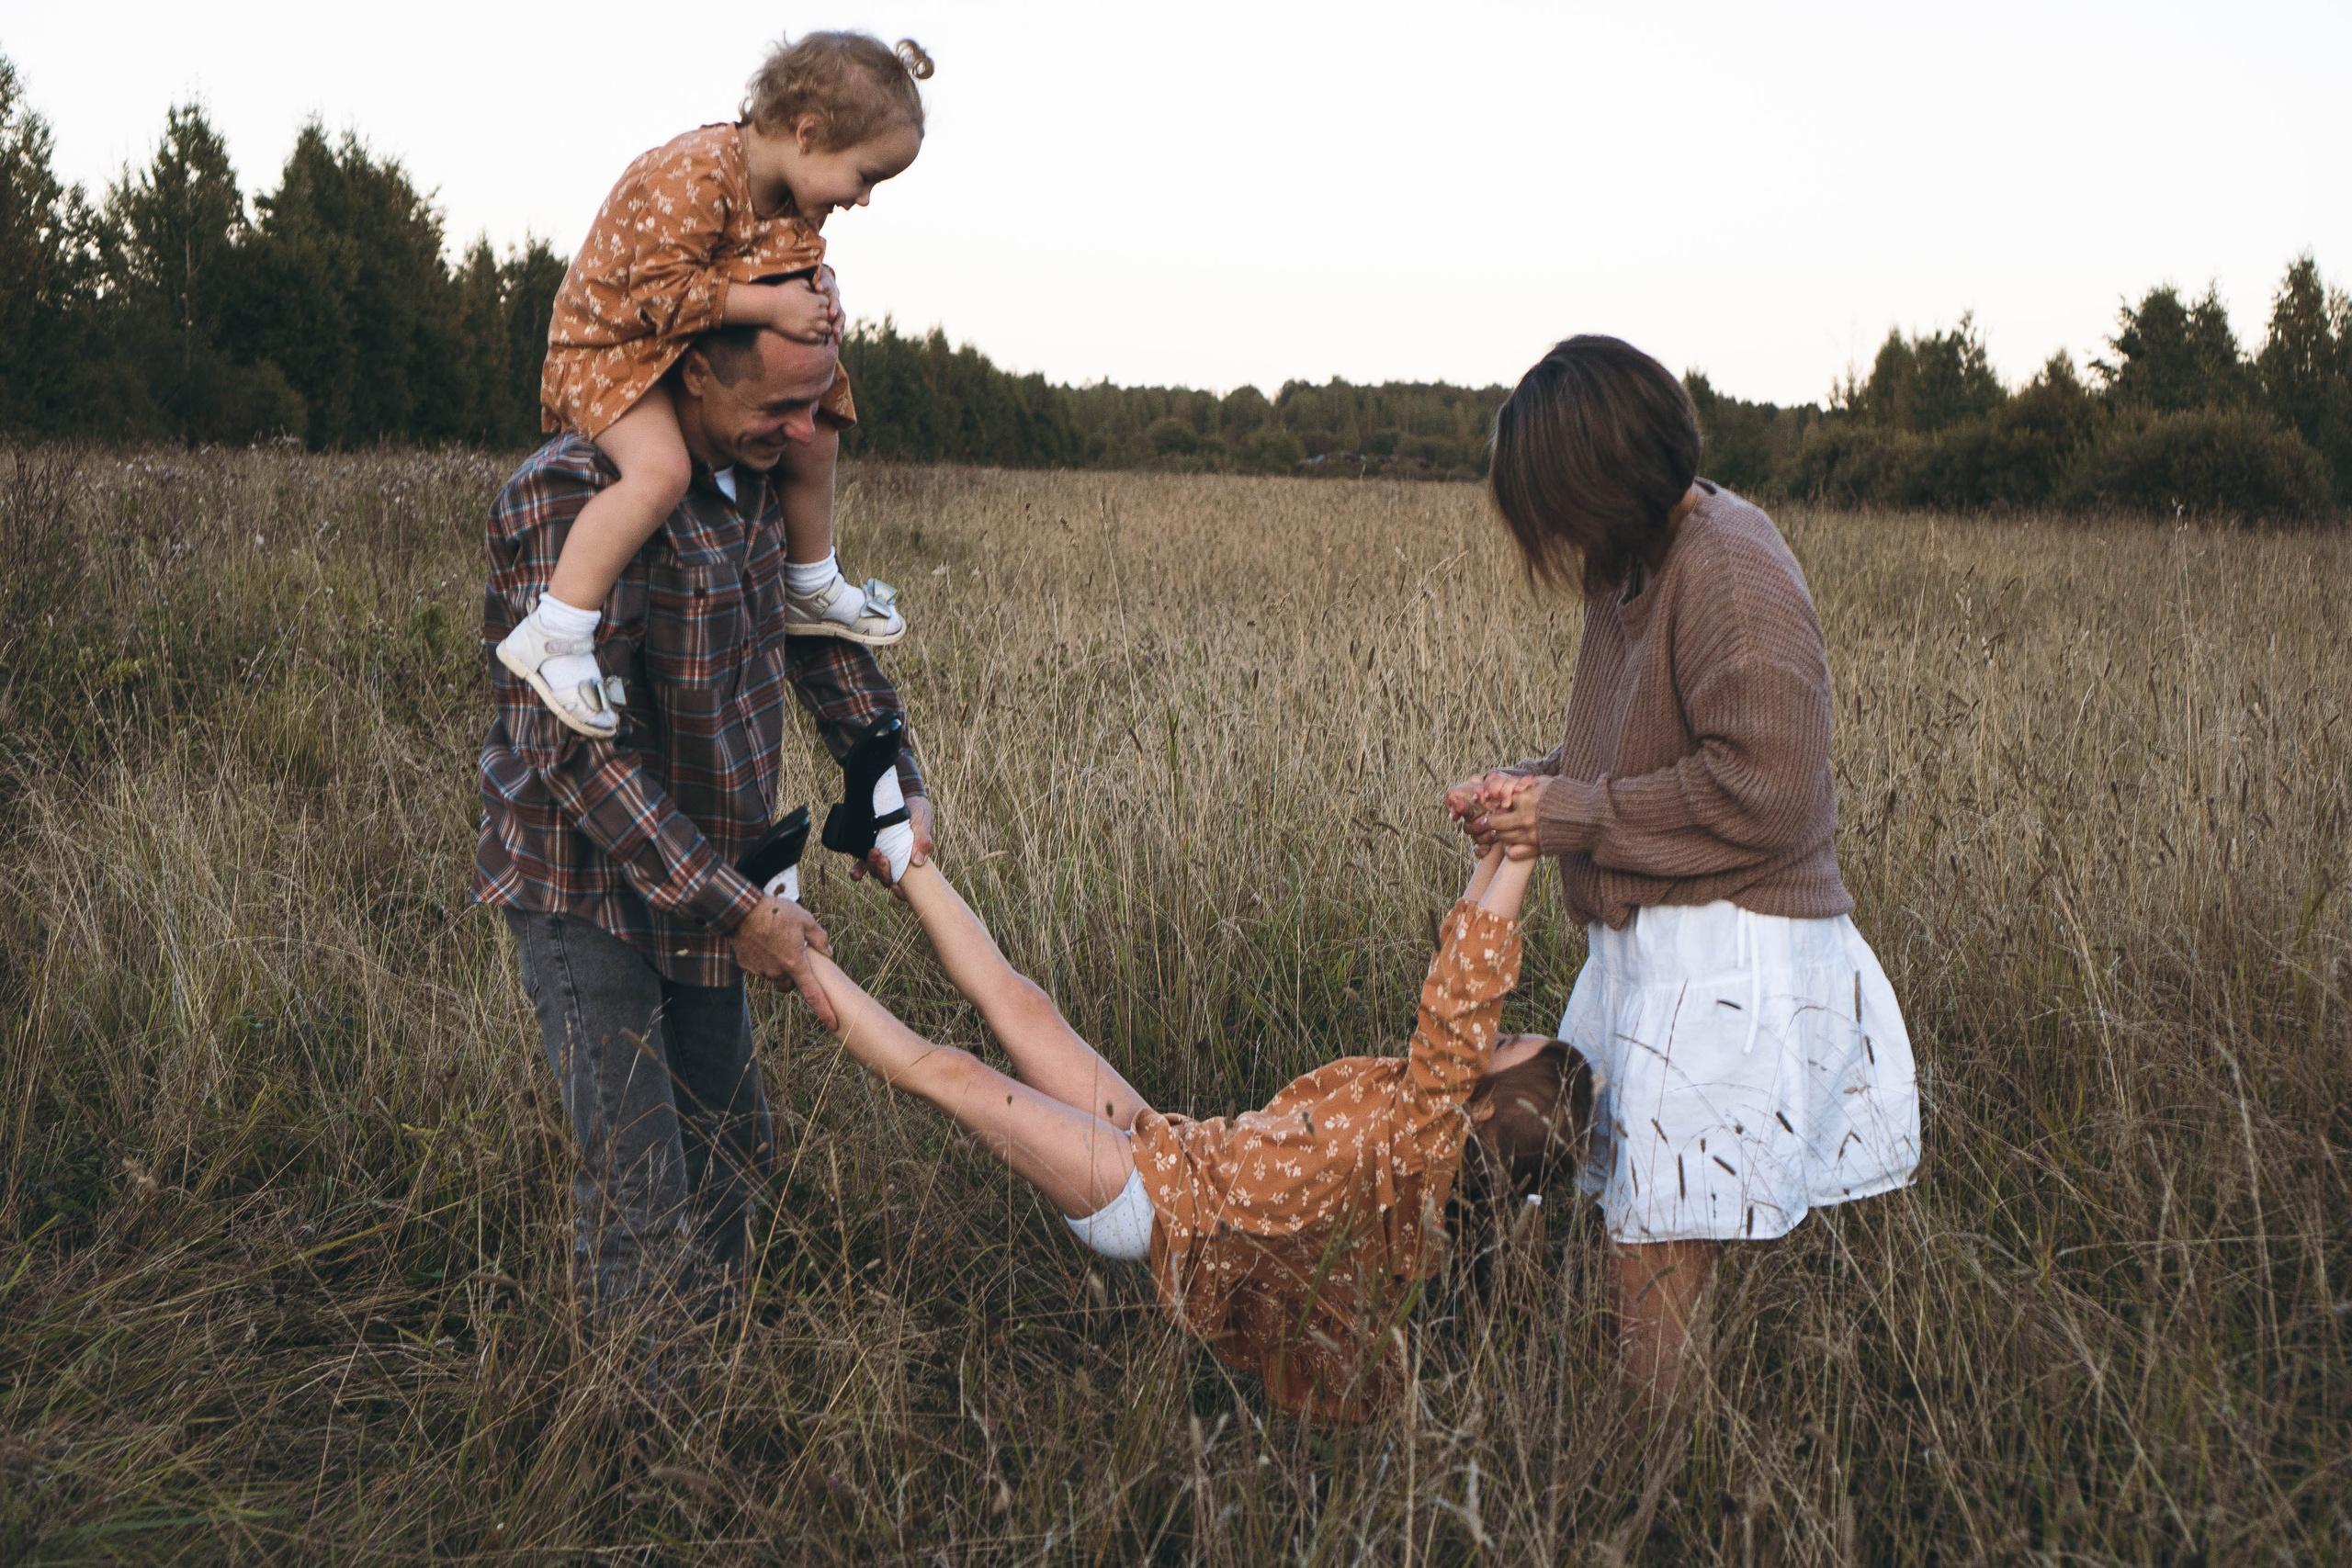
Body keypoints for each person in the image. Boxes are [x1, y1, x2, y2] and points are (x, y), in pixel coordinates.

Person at [1446, 334, 1921, 1417]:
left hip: (1730, 955)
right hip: (1660, 947)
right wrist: (1527, 788)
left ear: (1596, 480)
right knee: (1645, 1232)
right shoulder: (1635, 565)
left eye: (1548, 501)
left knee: (1655, 1248)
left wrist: (1571, 815)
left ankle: (1647, 1482)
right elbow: (1637, 757)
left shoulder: (1731, 568)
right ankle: (1651, 1460)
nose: (1547, 534)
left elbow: (1770, 790)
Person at [474, 321, 934, 1344]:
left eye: (817, 405)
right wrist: (740, 913)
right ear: (692, 370)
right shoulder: (569, 493)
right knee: (641, 1187)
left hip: (713, 872)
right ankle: (640, 1459)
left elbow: (821, 649)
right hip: (584, 886)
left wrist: (888, 783)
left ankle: (713, 1395)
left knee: (732, 1151)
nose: (803, 430)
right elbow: (576, 752)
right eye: (778, 406)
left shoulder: (761, 480)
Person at [795, 844, 1589, 1421]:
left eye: (1518, 1044)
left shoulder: (1430, 1144)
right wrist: (1492, 846)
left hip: (1160, 1203)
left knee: (955, 1072)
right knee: (1025, 1004)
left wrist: (1521, 849)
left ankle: (792, 952)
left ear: (1487, 1109)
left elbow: (1464, 991)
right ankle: (896, 847)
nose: (1506, 1030)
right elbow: (1457, 960)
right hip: (1172, 1147)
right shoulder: (1427, 1119)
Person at [497, 31, 933, 739]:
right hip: (612, 346)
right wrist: (773, 307)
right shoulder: (695, 175)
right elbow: (660, 296)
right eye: (865, 176)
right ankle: (555, 631)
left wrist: (822, 295)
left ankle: (811, 580)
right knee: (661, 470)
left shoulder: (791, 202)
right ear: (808, 132)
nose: (863, 200)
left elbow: (790, 272)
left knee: (820, 425)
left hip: (677, 344)